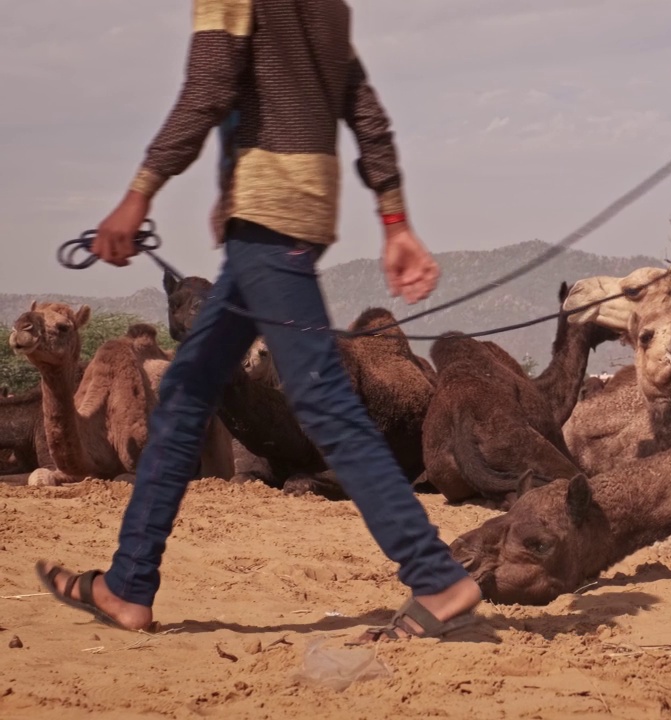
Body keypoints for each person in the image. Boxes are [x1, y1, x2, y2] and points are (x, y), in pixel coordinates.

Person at [36, 0, 481, 644]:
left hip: (270, 223)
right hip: (287, 219)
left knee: (323, 398)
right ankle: (130, 583)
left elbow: (208, 88)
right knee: (187, 394)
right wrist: (393, 218)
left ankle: (435, 573)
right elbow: (366, 111)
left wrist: (137, 195)